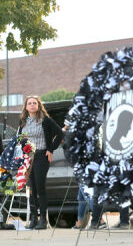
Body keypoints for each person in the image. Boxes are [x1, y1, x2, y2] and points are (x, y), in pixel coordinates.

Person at [19, 96, 63, 230]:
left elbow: (60, 133)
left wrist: (50, 150)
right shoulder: (23, 122)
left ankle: (43, 219)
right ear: (26, 107)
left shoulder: (45, 120)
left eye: (34, 103)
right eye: (29, 103)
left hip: (41, 156)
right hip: (28, 157)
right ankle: (33, 218)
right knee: (31, 188)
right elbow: (21, 139)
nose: (32, 105)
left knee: (39, 186)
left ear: (38, 106)